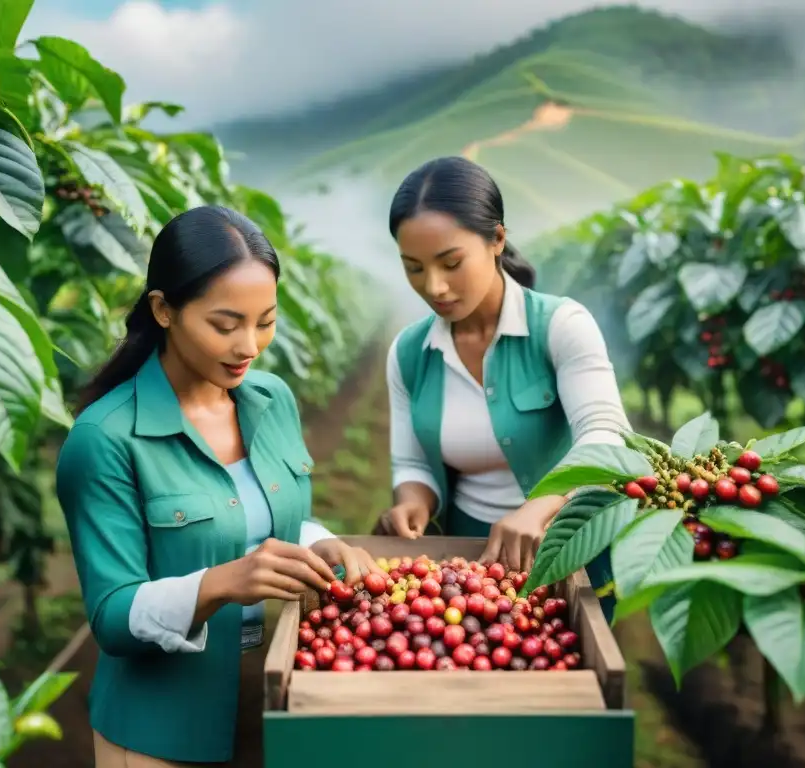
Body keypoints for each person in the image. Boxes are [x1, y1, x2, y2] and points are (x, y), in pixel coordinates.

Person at [56, 205, 381, 767]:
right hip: (162, 729)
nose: (249, 346)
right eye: (225, 325)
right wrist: (221, 583)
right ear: (163, 310)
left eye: (266, 321)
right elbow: (111, 615)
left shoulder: (271, 398)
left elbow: (258, 515)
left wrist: (316, 542)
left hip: (266, 700)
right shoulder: (104, 439)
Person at [374, 156, 632, 619]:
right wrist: (413, 499)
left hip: (570, 554)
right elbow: (412, 461)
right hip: (470, 564)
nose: (434, 286)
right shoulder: (410, 353)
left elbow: (607, 435)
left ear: (497, 240)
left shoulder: (560, 326)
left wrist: (541, 507)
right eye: (413, 268)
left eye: (451, 263)